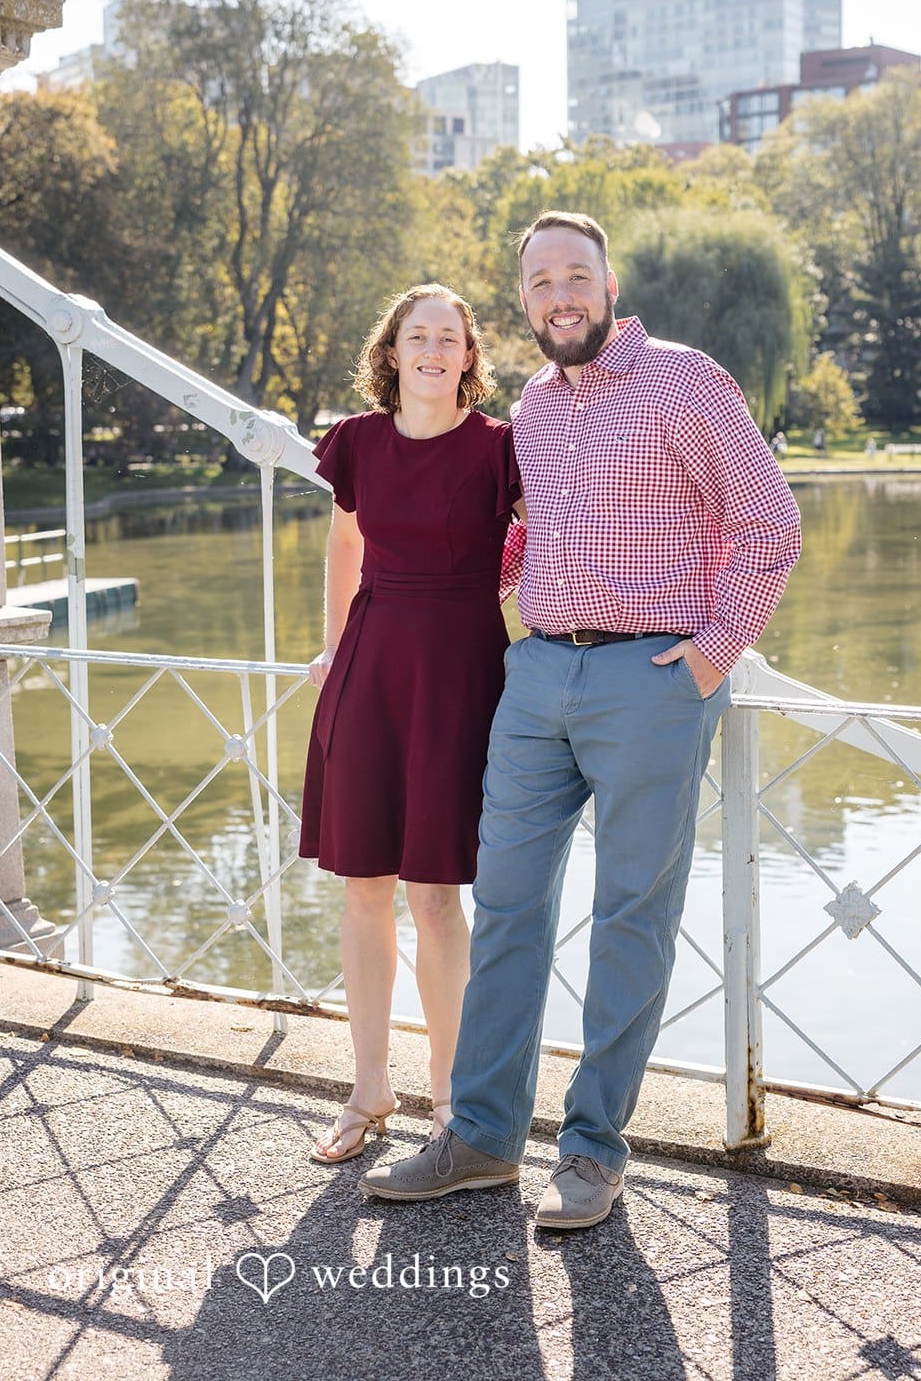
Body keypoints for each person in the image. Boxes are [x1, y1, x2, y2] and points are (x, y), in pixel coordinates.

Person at [360, 211, 801, 1229]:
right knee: (506, 905)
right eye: (539, 283)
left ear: (608, 286)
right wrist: (430, 601)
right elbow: (528, 536)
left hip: (650, 679)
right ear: (523, 302)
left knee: (627, 917)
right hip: (534, 676)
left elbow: (767, 523)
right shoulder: (534, 405)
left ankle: (594, 1150)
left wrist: (710, 654)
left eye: (574, 276)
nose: (558, 296)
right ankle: (480, 1138)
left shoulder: (684, 381)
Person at [300, 284, 522, 1163]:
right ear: (391, 352)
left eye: (448, 337)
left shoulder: (500, 448)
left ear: (469, 356)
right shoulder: (356, 440)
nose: (431, 350)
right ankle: (369, 1088)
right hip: (372, 665)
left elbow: (555, 545)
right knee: (363, 884)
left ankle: (450, 1098)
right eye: (416, 335)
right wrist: (331, 649)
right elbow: (344, 544)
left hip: (461, 673)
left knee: (434, 894)